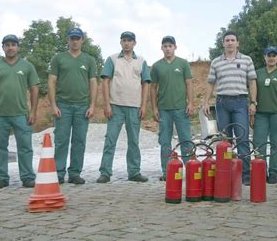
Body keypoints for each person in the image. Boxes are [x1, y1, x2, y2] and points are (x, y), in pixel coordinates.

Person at [0, 34, 40, 188]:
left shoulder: (27, 66)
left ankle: (27, 177)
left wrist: (34, 111)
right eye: (7, 45)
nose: (10, 47)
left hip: (21, 114)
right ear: (3, 47)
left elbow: (35, 89)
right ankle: (1, 178)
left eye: (13, 44)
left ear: (18, 47)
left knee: (25, 147)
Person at [203, 31, 257, 185]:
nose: (230, 43)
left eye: (233, 40)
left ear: (237, 43)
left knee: (242, 139)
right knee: (224, 141)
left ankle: (246, 176)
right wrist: (206, 102)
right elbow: (210, 83)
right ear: (223, 43)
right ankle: (225, 175)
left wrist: (253, 102)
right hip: (222, 103)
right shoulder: (216, 62)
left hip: (240, 102)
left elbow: (252, 82)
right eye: (227, 40)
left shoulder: (247, 60)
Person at [96, 31, 151, 183]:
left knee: (134, 141)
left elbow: (146, 84)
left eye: (129, 40)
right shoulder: (112, 59)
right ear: (120, 42)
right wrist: (107, 104)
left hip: (134, 106)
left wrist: (143, 105)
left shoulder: (141, 61)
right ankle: (105, 172)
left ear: (134, 43)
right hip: (115, 106)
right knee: (110, 140)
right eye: (124, 40)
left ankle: (134, 172)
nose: (126, 43)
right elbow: (105, 82)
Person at [48, 27, 98, 185]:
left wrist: (92, 105)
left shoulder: (89, 60)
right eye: (72, 38)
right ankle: (58, 173)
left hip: (83, 107)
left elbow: (93, 83)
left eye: (77, 38)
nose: (75, 41)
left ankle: (75, 173)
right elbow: (51, 81)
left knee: (79, 141)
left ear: (82, 40)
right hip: (63, 106)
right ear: (68, 40)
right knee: (61, 140)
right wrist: (53, 105)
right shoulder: (58, 58)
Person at [150, 35, 194, 181]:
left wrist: (191, 103)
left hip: (181, 109)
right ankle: (166, 171)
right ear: (161, 48)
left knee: (186, 140)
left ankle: (190, 168)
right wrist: (154, 108)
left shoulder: (183, 64)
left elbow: (189, 84)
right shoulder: (157, 66)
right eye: (165, 46)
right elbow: (153, 88)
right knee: (164, 141)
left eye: (170, 46)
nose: (168, 48)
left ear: (175, 47)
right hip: (164, 110)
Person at [252, 46, 277, 184]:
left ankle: (273, 172)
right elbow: (253, 94)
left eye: (274, 56)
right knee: (259, 143)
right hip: (261, 114)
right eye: (269, 55)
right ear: (264, 57)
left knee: (276, 144)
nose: (271, 58)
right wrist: (252, 114)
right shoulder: (257, 73)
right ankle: (261, 170)